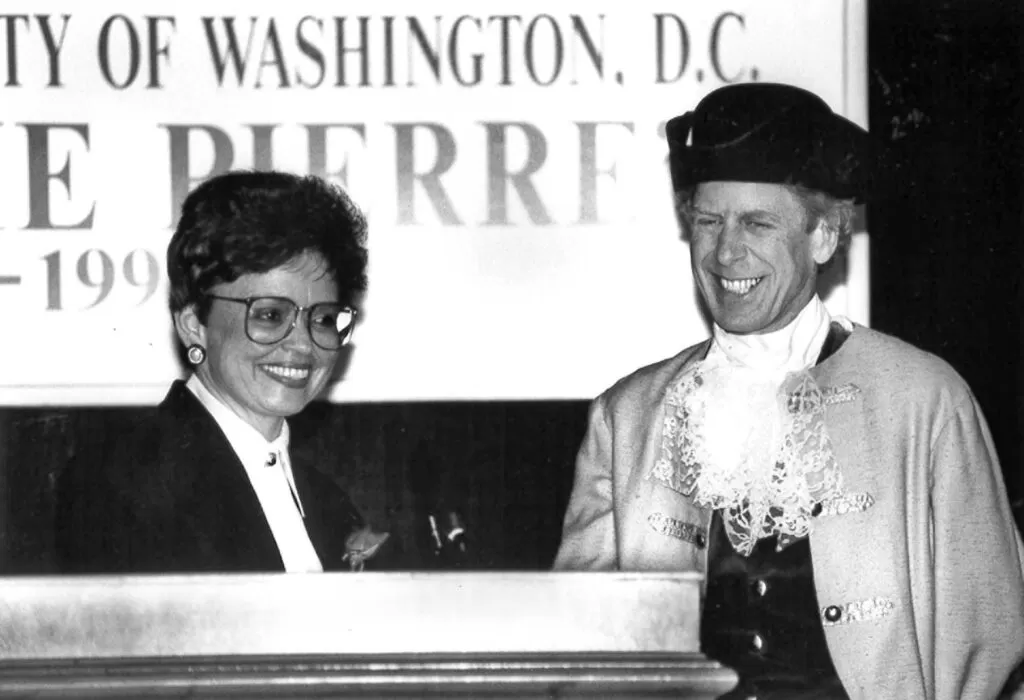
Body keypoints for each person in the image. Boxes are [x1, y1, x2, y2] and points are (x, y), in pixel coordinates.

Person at [553, 83, 1024, 699]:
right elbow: (580, 654)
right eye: (708, 220)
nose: (726, 250)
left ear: (824, 237)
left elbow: (990, 647)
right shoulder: (627, 418)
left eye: (758, 223)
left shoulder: (925, 403)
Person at [55, 170, 387, 573]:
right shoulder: (124, 482)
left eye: (322, 319)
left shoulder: (327, 500)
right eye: (270, 315)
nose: (302, 344)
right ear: (195, 324)